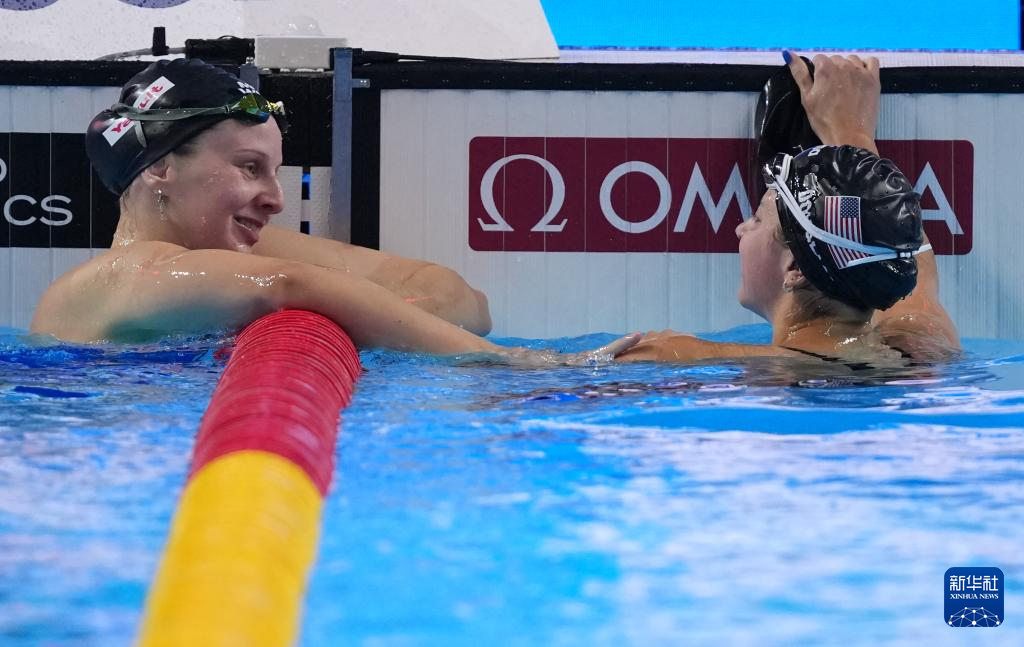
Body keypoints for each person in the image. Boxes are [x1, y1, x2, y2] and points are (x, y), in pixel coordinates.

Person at [30, 58, 637, 364]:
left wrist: (385, 319)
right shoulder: (125, 277)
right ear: (160, 168)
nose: (275, 198)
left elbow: (461, 297)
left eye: (274, 171)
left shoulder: (233, 256)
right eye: (249, 167)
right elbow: (288, 287)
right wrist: (514, 362)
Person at [619, 53, 960, 365]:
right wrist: (850, 135)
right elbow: (901, 254)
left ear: (795, 268)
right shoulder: (920, 348)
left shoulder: (678, 357)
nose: (741, 228)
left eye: (757, 218)